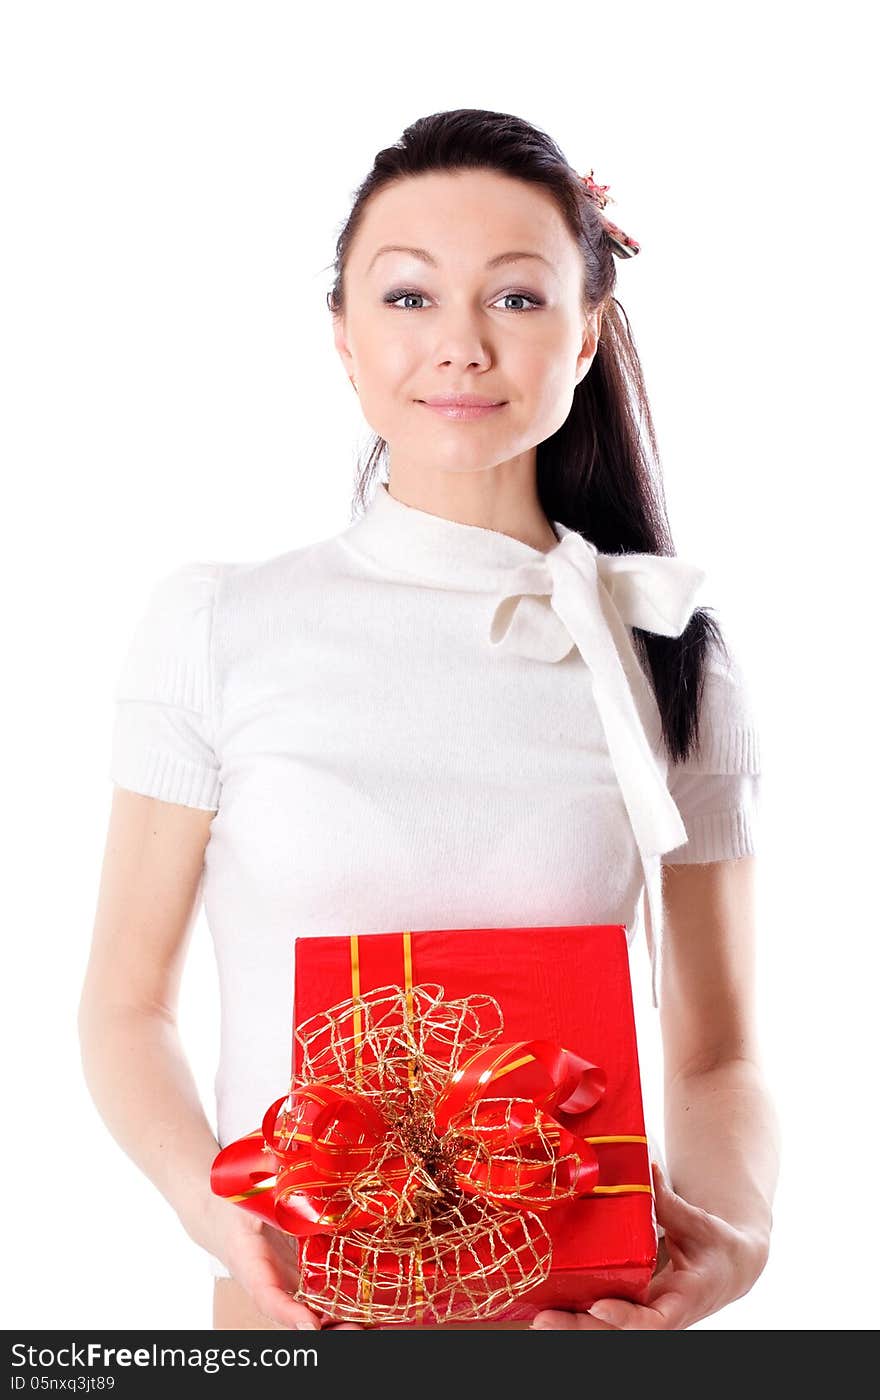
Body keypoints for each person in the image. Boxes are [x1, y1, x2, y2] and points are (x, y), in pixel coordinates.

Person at [78, 107, 780, 1332]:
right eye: (408, 297)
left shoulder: (667, 653)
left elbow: (717, 1052)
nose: (459, 344)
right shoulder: (219, 627)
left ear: (585, 335)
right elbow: (125, 1003)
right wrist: (211, 1208)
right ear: (342, 336)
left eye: (515, 298)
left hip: (581, 1332)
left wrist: (738, 1243)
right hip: (295, 1329)